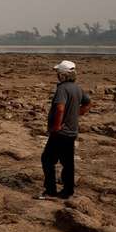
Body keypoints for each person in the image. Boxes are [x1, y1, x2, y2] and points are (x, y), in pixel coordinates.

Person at [38, 60, 91, 200]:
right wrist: (76, 114)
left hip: (61, 132)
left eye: (58, 73)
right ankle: (68, 191)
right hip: (71, 131)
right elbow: (87, 103)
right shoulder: (77, 88)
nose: (57, 75)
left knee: (47, 159)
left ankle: (50, 190)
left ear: (62, 75)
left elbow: (60, 108)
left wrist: (56, 126)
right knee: (68, 163)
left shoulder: (62, 89)